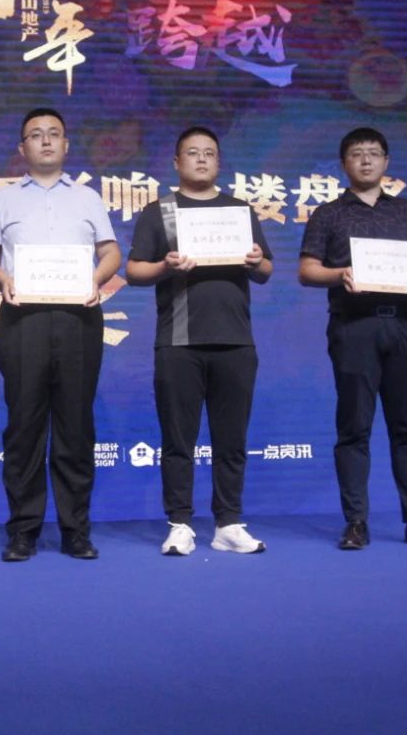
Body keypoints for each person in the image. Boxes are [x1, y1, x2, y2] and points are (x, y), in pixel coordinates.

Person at [298, 127, 407, 552]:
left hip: (405, 325)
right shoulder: (328, 214)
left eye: (373, 153)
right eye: (357, 154)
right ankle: (356, 522)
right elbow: (307, 270)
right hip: (355, 326)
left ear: (386, 162)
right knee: (354, 428)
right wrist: (342, 274)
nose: (366, 160)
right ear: (344, 164)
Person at [0, 108, 120, 562]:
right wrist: (3, 278)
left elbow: (111, 252)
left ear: (66, 144)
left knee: (76, 426)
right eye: (35, 135)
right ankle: (23, 531)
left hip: (79, 318)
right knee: (24, 426)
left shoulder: (88, 198)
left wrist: (96, 279)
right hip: (24, 319)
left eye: (54, 134)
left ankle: (76, 530)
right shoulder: (4, 199)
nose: (45, 141)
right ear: (22, 148)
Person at [125, 126, 273, 556]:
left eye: (209, 153)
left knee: (232, 440)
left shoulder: (239, 211)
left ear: (219, 162)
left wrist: (255, 261)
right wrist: (166, 266)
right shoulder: (160, 212)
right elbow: (134, 271)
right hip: (179, 342)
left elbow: (266, 271)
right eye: (193, 153)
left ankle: (229, 523)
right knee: (178, 441)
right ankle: (180, 524)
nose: (202, 159)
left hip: (235, 340)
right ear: (177, 162)